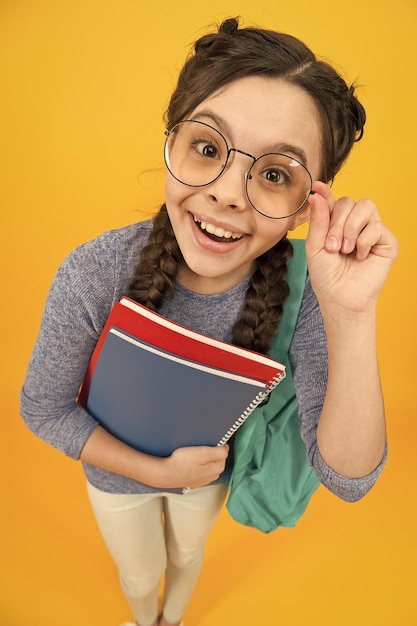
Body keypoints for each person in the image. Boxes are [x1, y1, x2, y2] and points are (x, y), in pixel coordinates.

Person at [20, 16, 398, 626]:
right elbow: (42, 408)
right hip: (117, 478)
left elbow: (350, 481)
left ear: (309, 204)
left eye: (275, 174)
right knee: (140, 573)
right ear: (170, 146)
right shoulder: (93, 272)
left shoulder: (309, 297)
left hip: (208, 485)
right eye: (207, 147)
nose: (226, 193)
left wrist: (350, 313)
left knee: (188, 555)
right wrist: (155, 473)